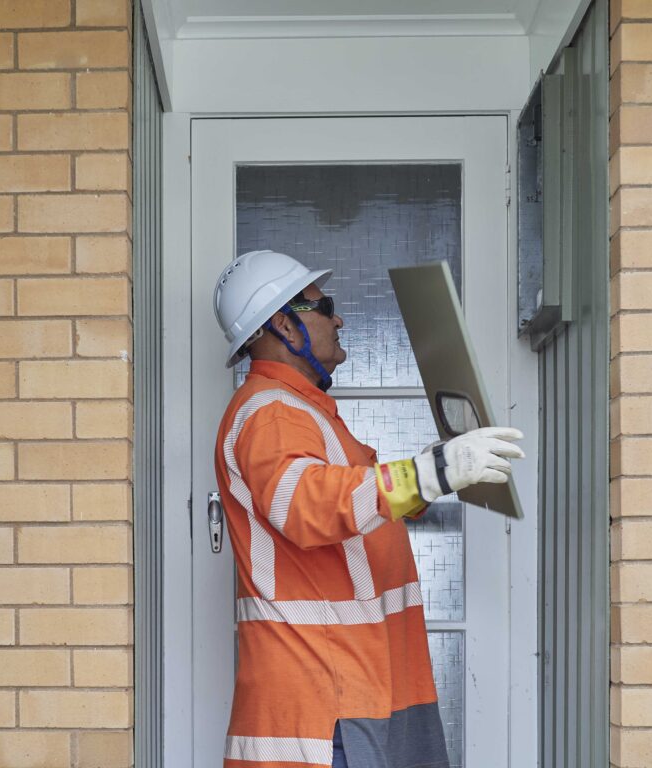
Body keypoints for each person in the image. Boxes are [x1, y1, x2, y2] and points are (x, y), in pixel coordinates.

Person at [212, 249, 525, 768]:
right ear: (283, 328)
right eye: (322, 305)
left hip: (353, 686)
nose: (338, 318)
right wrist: (432, 473)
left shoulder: (306, 412)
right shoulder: (271, 413)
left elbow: (363, 496)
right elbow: (309, 504)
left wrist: (430, 472)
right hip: (325, 702)